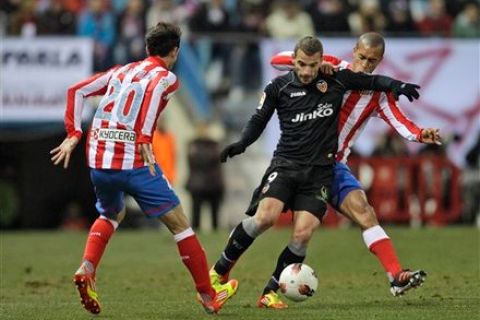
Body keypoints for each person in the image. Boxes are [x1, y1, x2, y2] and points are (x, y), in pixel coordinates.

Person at [208, 35, 421, 308]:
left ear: (321, 63)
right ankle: (219, 272)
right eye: (301, 64)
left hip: (320, 172)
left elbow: (373, 82)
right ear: (295, 63)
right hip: (286, 164)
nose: (307, 71)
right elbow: (259, 119)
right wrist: (241, 144)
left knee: (303, 234)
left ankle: (270, 292)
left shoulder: (337, 80)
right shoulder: (278, 86)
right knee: (265, 218)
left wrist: (398, 85)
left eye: (312, 65)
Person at [50, 22, 237, 315]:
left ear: (148, 48)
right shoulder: (166, 77)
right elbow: (151, 96)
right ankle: (208, 294)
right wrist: (145, 138)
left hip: (99, 160)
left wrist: (74, 133)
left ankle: (87, 268)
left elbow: (76, 90)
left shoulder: (120, 71)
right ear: (174, 52)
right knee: (180, 224)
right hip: (133, 161)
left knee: (111, 213)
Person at [186, 122, 225, 231]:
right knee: (195, 214)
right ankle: (195, 235)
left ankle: (215, 234)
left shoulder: (214, 144)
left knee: (215, 215)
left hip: (213, 183)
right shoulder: (192, 144)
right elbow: (196, 161)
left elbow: (217, 159)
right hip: (197, 184)